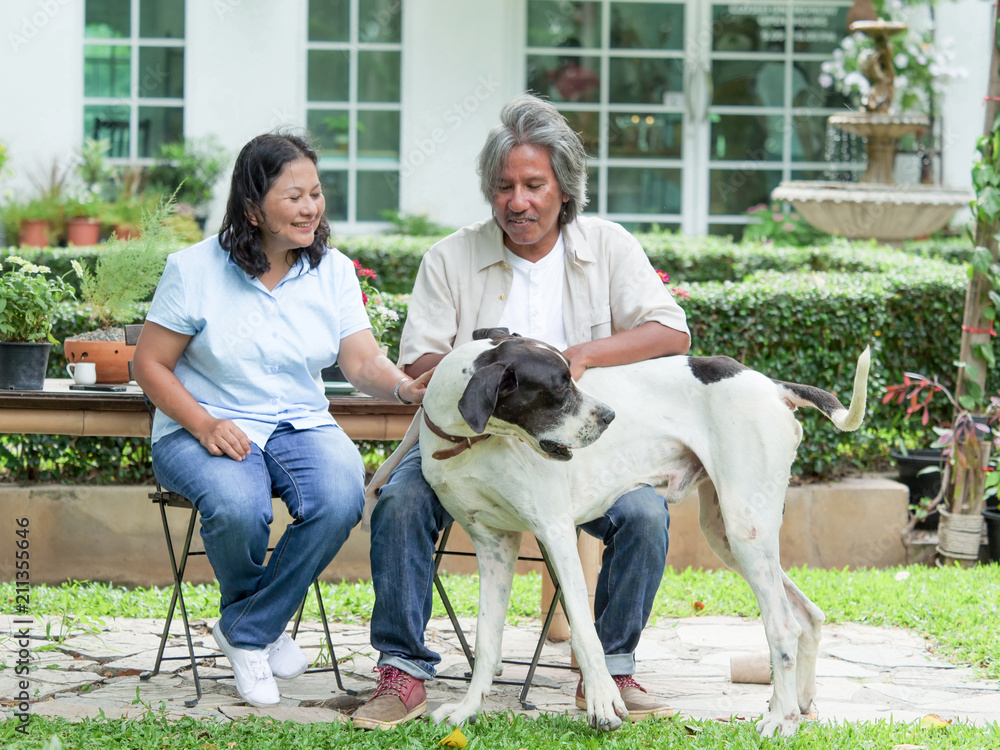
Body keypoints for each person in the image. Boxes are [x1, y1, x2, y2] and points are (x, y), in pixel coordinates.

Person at [352, 94, 690, 730]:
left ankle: (612, 669)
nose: (518, 201)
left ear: (564, 188)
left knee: (644, 514)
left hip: (574, 448)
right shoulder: (449, 257)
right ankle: (401, 672)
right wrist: (484, 371)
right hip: (467, 451)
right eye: (504, 186)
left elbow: (672, 332)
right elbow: (419, 360)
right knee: (400, 502)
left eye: (534, 185)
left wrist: (581, 355)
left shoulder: (607, 246)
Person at [132, 133, 430, 708]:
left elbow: (360, 361)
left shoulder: (333, 271)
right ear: (252, 208)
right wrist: (204, 424)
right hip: (203, 423)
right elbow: (150, 364)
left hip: (299, 422)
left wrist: (402, 386)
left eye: (316, 193)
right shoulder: (194, 270)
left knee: (341, 496)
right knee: (238, 506)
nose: (311, 208)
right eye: (294, 197)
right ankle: (259, 631)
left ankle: (246, 630)